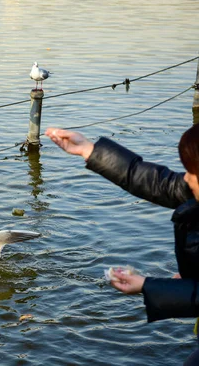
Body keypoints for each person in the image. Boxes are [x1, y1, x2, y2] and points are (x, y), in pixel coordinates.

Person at [45, 124, 199, 365]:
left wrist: (147, 286)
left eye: (192, 171)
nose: (186, 177)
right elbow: (158, 183)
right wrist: (89, 150)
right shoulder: (194, 190)